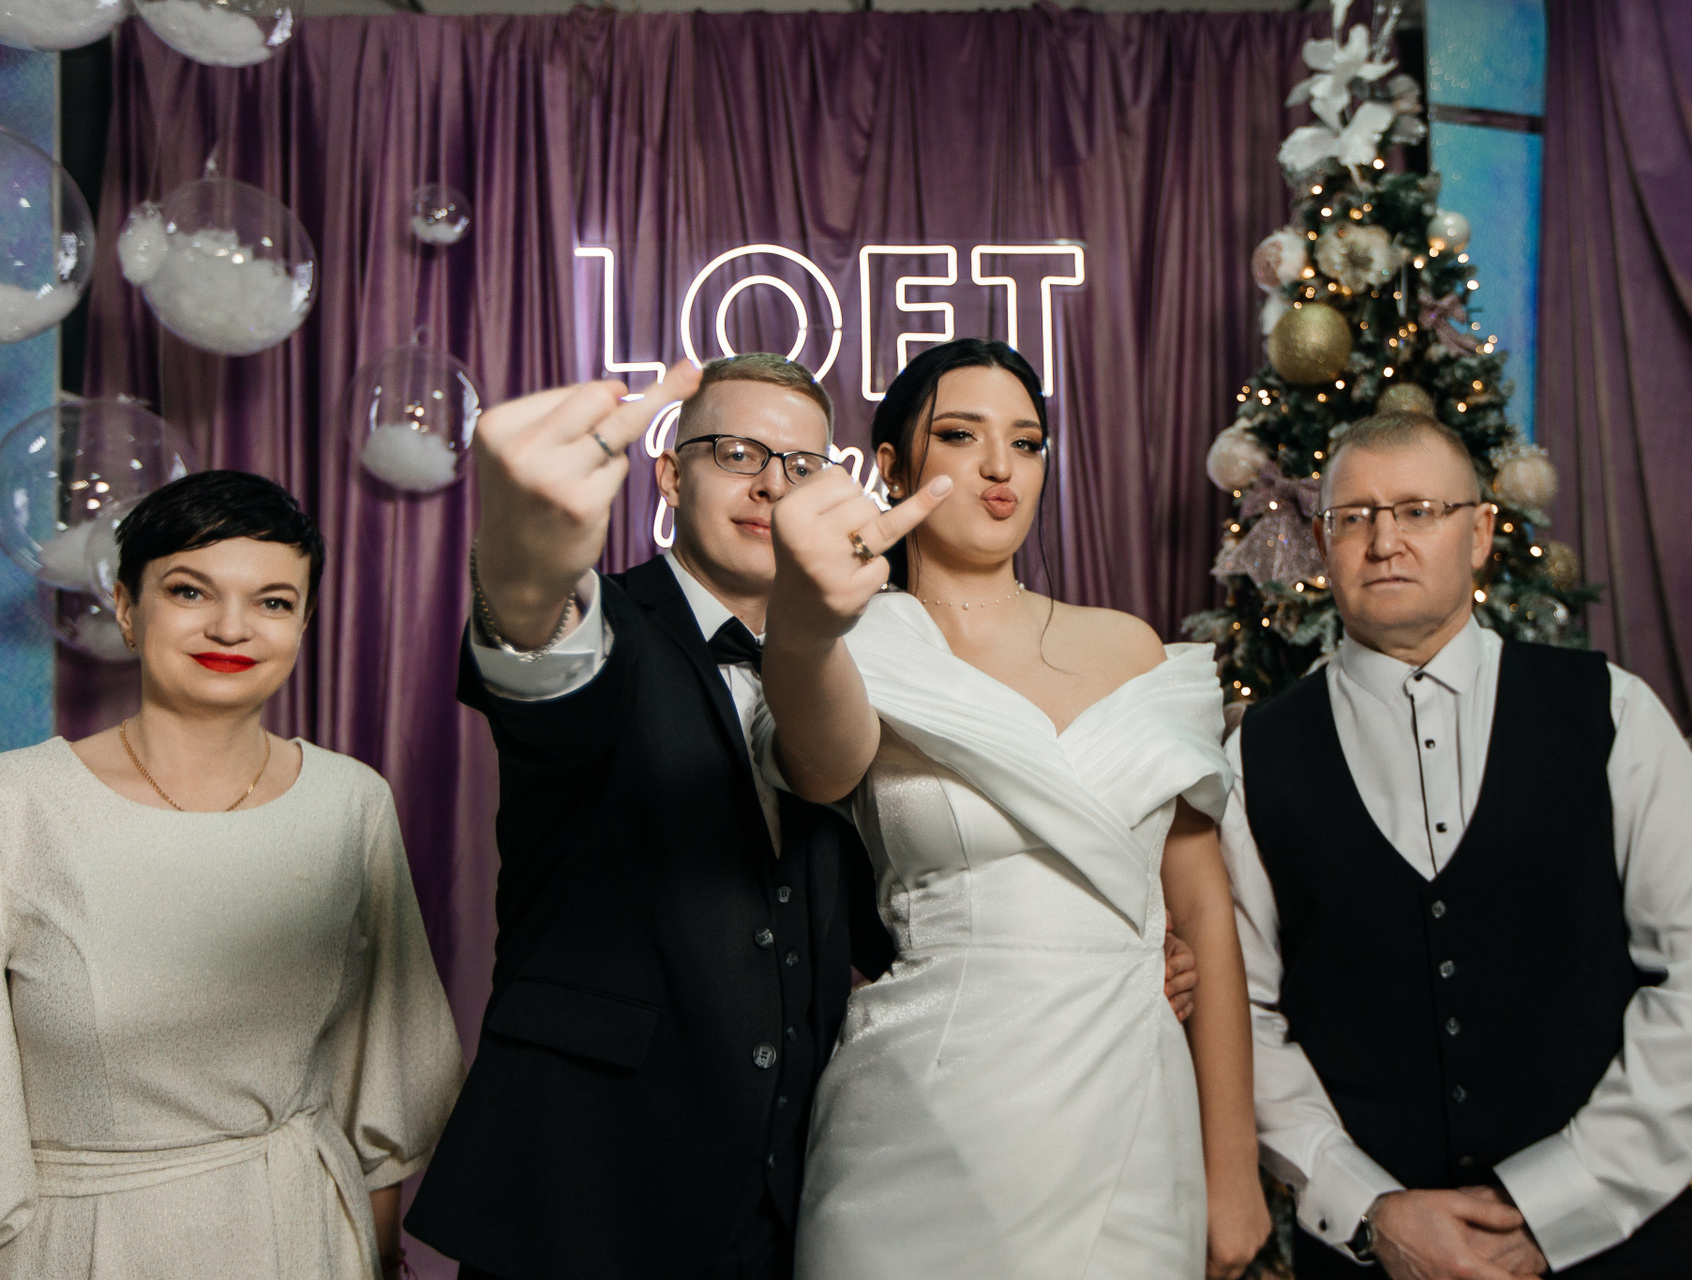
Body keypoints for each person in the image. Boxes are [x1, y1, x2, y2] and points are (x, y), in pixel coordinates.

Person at [402, 351, 1209, 1280]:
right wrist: (525, 563)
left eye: (801, 465)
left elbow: (904, 905)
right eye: (736, 453)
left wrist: (1100, 956)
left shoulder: (870, 667)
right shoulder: (608, 624)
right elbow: (543, 665)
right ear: (670, 475)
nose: (770, 486)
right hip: (586, 1195)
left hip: (792, 1197)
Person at [756, 338, 1272, 1280]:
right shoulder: (855, 644)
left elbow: (1202, 910)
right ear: (891, 467)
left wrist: (1232, 1168)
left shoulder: (1131, 648)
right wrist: (803, 622)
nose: (1001, 466)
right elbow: (819, 765)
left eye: (1027, 442)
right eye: (961, 435)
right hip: (924, 1119)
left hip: (1136, 1121)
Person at [1218, 412, 1692, 1280]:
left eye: (1419, 511)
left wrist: (1557, 1203)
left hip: (1625, 1255)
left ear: (1479, 534)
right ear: (1322, 544)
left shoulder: (1612, 712)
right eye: (1353, 517)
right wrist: (1370, 1210)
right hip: (1376, 1262)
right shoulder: (1253, 759)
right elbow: (1239, 1017)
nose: (1384, 542)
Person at [0, 469, 463, 1280]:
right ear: (125, 606)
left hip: (305, 1232)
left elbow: (387, 1073)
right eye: (190, 591)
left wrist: (380, 1256)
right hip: (89, 1244)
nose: (231, 627)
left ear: (304, 623)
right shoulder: (21, 801)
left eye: (273, 602)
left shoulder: (349, 802)